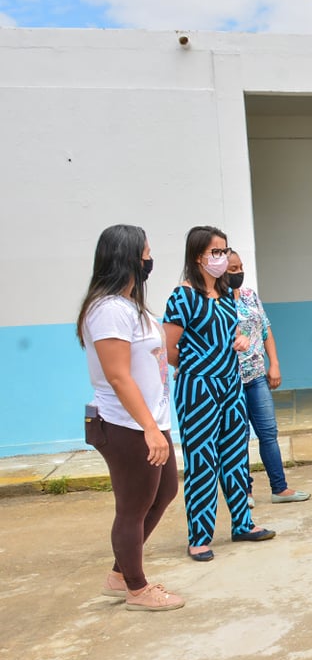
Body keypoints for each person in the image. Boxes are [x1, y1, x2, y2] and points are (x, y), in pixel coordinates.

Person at [78, 224, 184, 610]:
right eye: (145, 254)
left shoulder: (130, 306)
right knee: (134, 505)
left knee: (165, 492)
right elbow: (118, 376)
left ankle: (120, 573)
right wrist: (149, 429)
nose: (149, 260)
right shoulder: (106, 310)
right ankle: (137, 589)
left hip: (151, 420)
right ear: (127, 258)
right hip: (124, 424)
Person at [163, 225, 275, 562]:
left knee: (236, 456)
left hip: (231, 384)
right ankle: (199, 537)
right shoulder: (183, 296)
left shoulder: (226, 295)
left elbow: (231, 333)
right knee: (202, 461)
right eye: (216, 252)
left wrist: (238, 342)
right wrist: (198, 365)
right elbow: (169, 348)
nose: (222, 258)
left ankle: (242, 523)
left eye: (225, 251)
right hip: (198, 388)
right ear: (198, 256)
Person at [226, 251, 310, 504]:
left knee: (268, 432)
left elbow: (265, 330)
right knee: (238, 436)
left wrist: (274, 364)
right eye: (232, 269)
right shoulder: (215, 301)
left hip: (256, 376)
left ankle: (279, 488)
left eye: (240, 267)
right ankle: (245, 492)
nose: (238, 272)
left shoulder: (250, 295)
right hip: (230, 380)